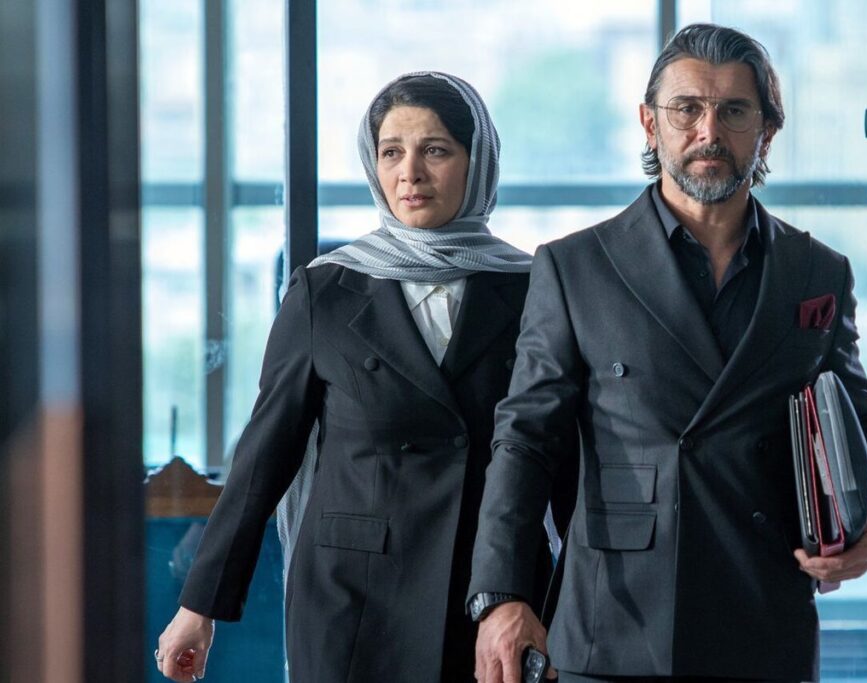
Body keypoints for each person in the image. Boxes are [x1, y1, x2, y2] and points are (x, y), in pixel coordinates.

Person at [468, 24, 867, 683]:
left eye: (734, 111)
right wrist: (501, 595)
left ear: (767, 132)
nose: (709, 131)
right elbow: (525, 439)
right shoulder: (575, 266)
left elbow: (862, 415)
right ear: (650, 123)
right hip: (618, 623)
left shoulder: (817, 271)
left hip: (765, 617)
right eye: (687, 109)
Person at [155, 71, 569, 683]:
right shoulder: (325, 290)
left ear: (478, 161)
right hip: (352, 600)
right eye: (391, 152)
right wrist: (199, 608)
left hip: (491, 598)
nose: (410, 173)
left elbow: (564, 458)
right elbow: (264, 459)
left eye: (435, 150)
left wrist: (582, 609)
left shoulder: (535, 288)